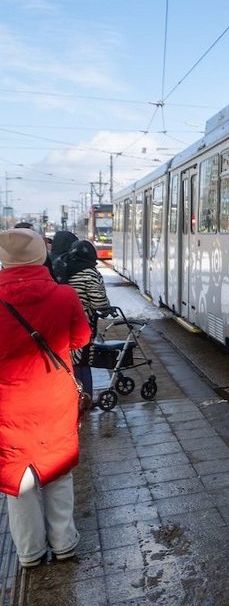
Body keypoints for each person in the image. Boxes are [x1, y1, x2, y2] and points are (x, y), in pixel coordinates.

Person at [0, 228, 91, 568]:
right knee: (57, 470)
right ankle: (64, 542)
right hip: (54, 399)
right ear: (43, 255)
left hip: (7, 405)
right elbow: (81, 339)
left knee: (18, 479)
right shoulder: (64, 295)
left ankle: (29, 552)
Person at [57, 240, 110, 398]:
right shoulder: (89, 273)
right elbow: (99, 302)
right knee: (83, 360)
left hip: (63, 321)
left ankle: (72, 394)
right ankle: (85, 397)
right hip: (83, 322)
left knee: (70, 360)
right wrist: (106, 309)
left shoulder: (62, 268)